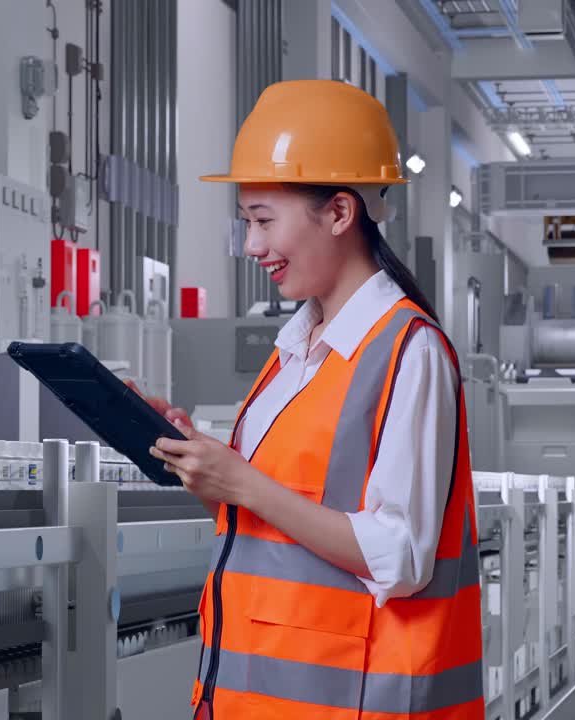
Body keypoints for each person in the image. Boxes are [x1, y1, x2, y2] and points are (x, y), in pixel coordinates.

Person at [136, 79, 484, 719]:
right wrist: (204, 464)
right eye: (246, 223)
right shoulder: (295, 347)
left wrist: (242, 483)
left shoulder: (410, 350)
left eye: (264, 221)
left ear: (341, 212)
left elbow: (401, 557)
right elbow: (279, 504)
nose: (251, 247)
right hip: (255, 696)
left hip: (351, 698)